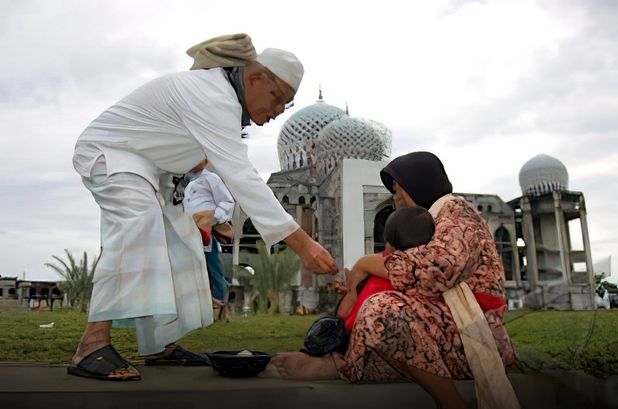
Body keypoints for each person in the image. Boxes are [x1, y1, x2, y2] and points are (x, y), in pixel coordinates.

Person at [69, 33, 337, 381]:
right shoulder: (215, 96)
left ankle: (160, 346)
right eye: (276, 99)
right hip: (111, 154)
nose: (276, 113)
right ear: (254, 78)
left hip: (152, 171)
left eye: (284, 106)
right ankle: (90, 346)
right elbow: (242, 177)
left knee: (183, 246)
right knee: (138, 224)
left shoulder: (223, 98)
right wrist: (303, 244)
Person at [266, 151, 516, 409]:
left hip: (473, 336)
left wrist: (365, 264)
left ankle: (451, 403)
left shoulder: (458, 215)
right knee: (375, 320)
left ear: (416, 187)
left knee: (381, 312)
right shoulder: (433, 219)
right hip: (442, 326)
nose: (395, 201)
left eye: (397, 193)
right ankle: (338, 363)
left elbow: (437, 270)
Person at [335, 206, 435, 333]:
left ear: (390, 242)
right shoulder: (434, 277)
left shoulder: (376, 274)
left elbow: (345, 318)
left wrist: (351, 289)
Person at [183, 162, 234, 305]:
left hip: (206, 229)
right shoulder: (184, 181)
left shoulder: (210, 178)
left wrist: (212, 218)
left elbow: (227, 201)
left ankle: (220, 300)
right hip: (187, 228)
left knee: (213, 265)